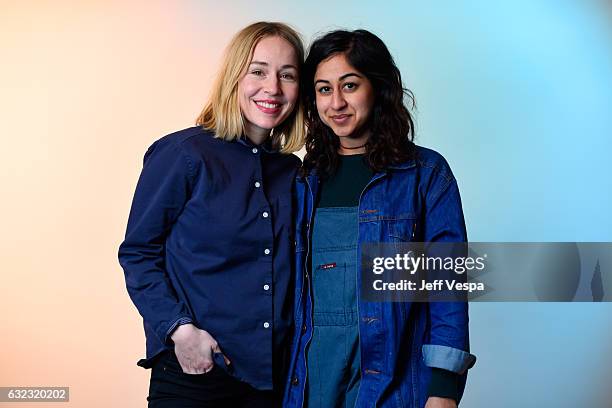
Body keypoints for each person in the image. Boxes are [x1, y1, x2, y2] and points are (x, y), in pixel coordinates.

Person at [283, 29, 476, 408]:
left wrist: (444, 391)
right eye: (323, 89)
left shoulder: (426, 174)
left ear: (379, 88)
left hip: (394, 386)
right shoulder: (302, 181)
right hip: (311, 383)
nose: (336, 102)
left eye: (349, 85)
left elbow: (447, 287)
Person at [118, 22, 305, 408]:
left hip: (275, 382)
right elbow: (138, 252)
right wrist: (179, 330)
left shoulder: (294, 173)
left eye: (287, 75)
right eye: (258, 71)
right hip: (196, 376)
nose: (273, 87)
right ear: (234, 77)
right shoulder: (184, 155)